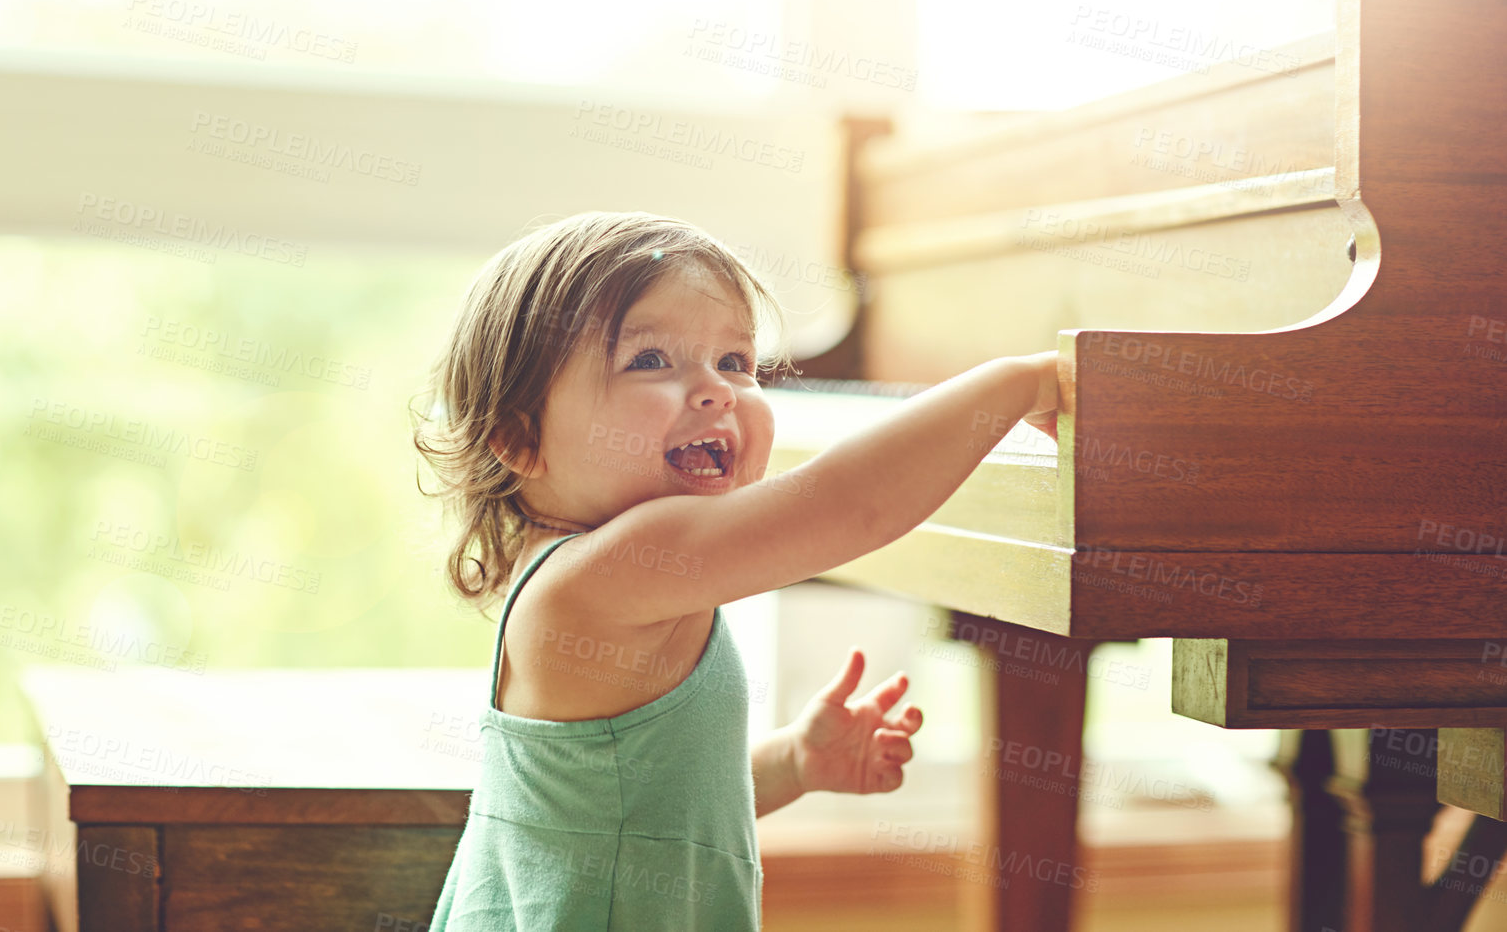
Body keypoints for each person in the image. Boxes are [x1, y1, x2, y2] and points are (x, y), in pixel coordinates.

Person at [411, 210, 1061, 930]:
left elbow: (644, 803)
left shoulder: (608, 575)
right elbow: (851, 507)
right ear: (520, 439)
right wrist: (1017, 384)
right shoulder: (597, 581)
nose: (716, 390)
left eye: (736, 362)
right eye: (650, 360)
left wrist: (789, 764)